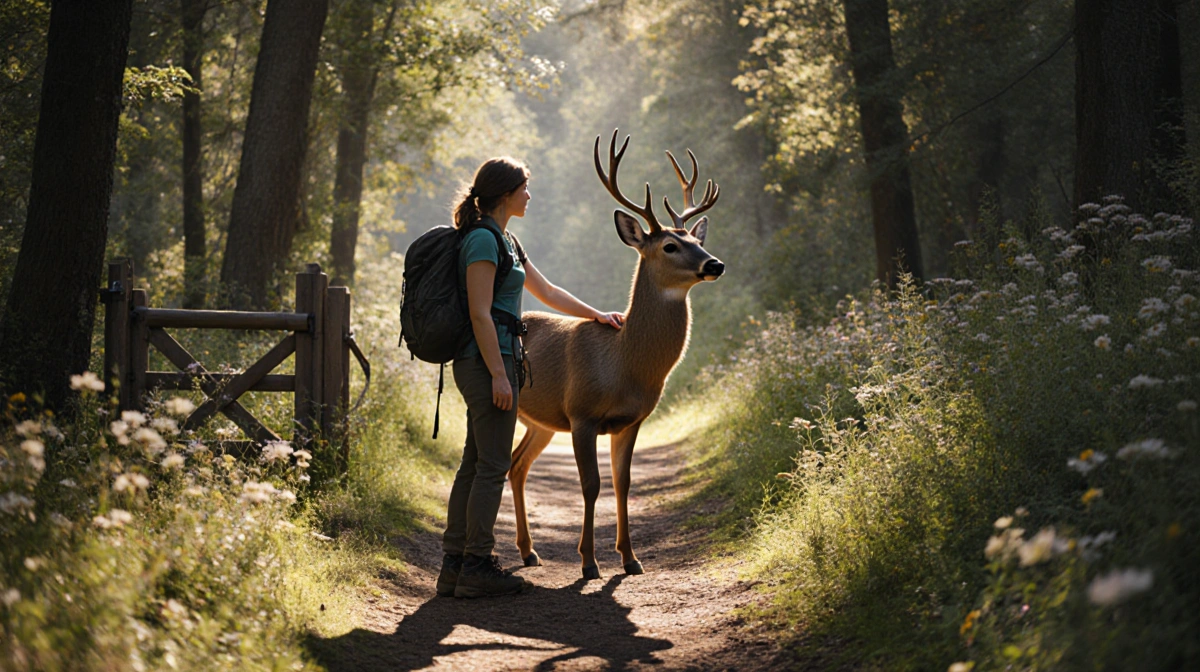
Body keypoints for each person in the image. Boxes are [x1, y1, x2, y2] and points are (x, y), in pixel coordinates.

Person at [438, 156, 625, 599]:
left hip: (496, 360)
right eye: (524, 187)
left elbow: (548, 292)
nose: (529, 194)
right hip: (486, 362)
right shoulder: (483, 241)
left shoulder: (507, 240)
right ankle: (477, 565)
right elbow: (481, 315)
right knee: (492, 466)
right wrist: (500, 377)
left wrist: (597, 314)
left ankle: (454, 565)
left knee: (475, 461)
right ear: (505, 193)